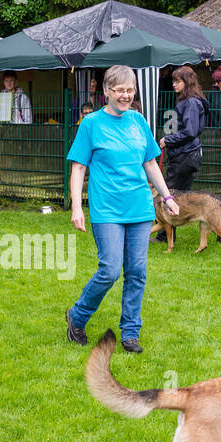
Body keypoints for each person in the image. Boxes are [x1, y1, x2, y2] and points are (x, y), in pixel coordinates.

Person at [65, 64, 179, 354]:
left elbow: (150, 162)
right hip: (107, 210)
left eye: (130, 90)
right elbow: (78, 167)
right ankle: (77, 317)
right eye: (119, 90)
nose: (126, 95)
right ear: (106, 91)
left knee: (137, 272)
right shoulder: (91, 124)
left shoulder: (138, 121)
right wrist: (77, 207)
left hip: (139, 208)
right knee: (109, 270)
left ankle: (130, 332)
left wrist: (167, 197)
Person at [162, 66, 209, 194]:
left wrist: (168, 139)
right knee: (180, 196)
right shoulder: (188, 101)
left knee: (170, 194)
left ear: (187, 82)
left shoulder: (191, 103)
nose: (173, 84)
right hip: (187, 154)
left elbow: (190, 132)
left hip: (186, 155)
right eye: (173, 81)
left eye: (177, 81)